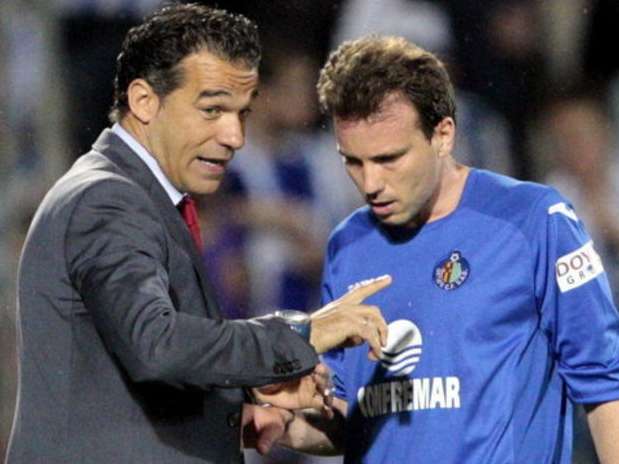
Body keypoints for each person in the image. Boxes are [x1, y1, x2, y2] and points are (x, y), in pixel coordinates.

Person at [5, 5, 391, 463]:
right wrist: (303, 334)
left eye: (242, 114)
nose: (234, 136)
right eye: (212, 110)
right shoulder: (107, 200)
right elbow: (156, 346)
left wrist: (244, 401)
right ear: (144, 101)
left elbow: (128, 374)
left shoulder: (140, 197)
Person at [273, 36, 619, 463]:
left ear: (443, 135)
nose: (370, 184)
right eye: (353, 162)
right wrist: (284, 426)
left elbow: (605, 382)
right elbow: (353, 415)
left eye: (389, 159)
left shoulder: (532, 220)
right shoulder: (348, 245)